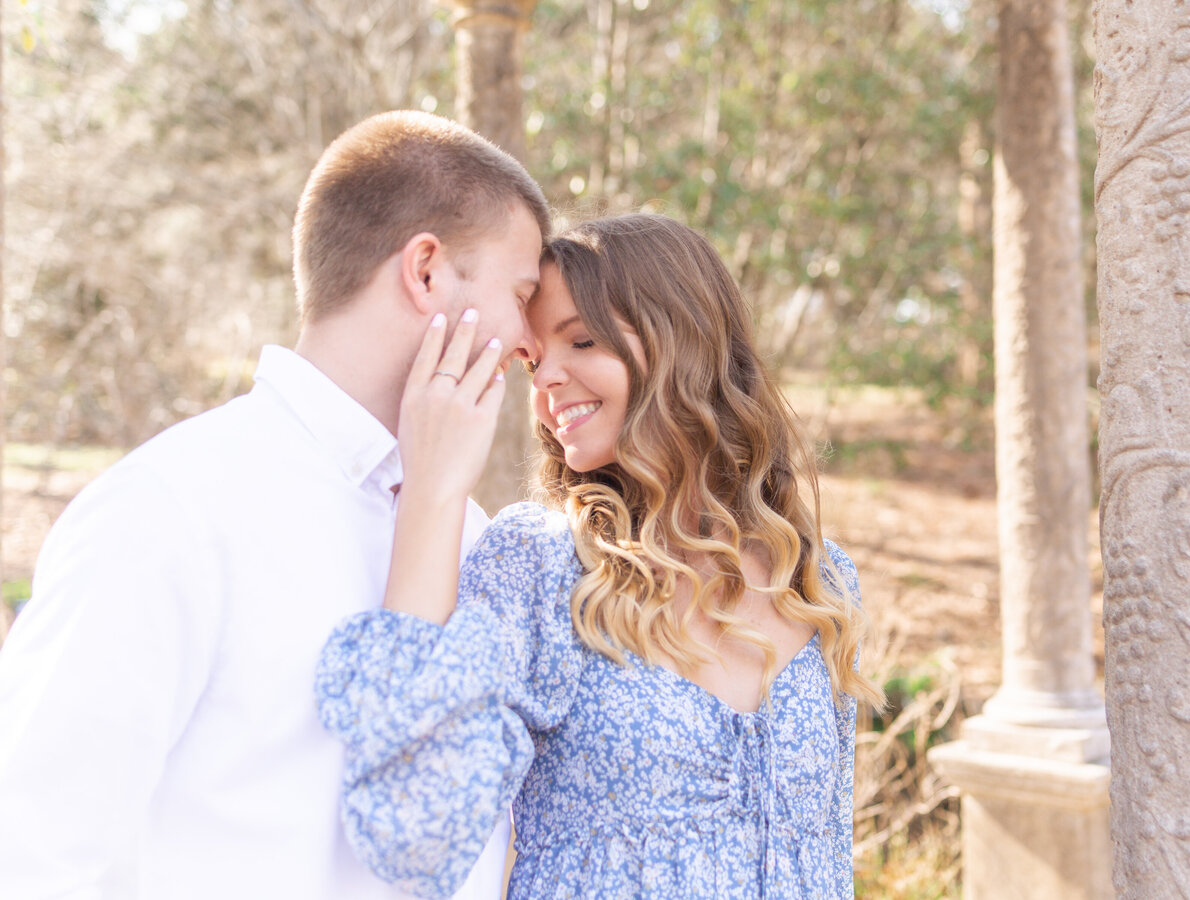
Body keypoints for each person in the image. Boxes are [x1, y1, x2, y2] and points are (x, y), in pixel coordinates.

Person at [0, 110, 550, 900]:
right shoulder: (167, 511)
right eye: (522, 292)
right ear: (426, 271)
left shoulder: (470, 534)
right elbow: (37, 853)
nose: (532, 341)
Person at [315, 213, 886, 899]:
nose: (546, 380)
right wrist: (432, 493)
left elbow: (828, 857)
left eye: (581, 340)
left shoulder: (819, 581)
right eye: (532, 361)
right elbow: (415, 834)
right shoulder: (543, 568)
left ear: (686, 343)